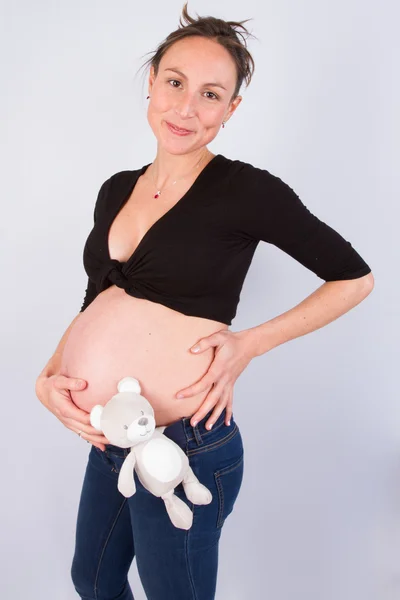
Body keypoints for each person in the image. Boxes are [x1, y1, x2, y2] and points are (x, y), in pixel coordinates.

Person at [35, 4, 374, 600]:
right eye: (175, 83)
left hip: (186, 443)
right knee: (92, 580)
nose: (187, 108)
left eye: (211, 94)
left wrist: (248, 344)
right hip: (113, 439)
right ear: (152, 82)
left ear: (231, 109)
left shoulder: (248, 191)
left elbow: (354, 278)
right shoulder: (117, 188)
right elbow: (97, 299)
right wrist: (48, 373)